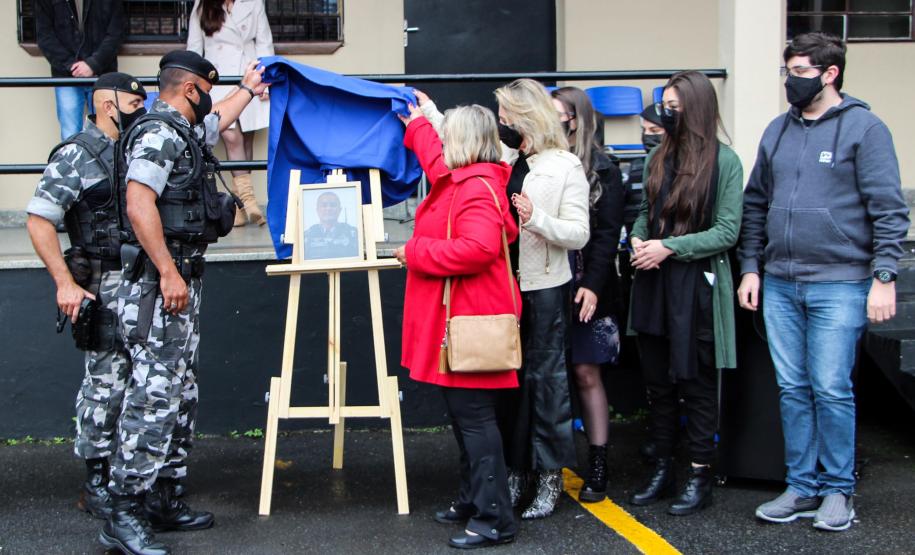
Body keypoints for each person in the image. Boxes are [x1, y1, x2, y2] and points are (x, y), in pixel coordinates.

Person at [738, 32, 909, 532]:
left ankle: (838, 490)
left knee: (831, 388)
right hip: (781, 283)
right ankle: (801, 486)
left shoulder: (865, 129)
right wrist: (751, 267)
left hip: (840, 282)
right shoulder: (777, 130)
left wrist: (884, 276)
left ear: (830, 74)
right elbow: (755, 203)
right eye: (787, 71)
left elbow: (888, 210)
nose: (790, 81)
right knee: (793, 388)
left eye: (800, 72)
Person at [99, 50, 268, 555]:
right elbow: (138, 204)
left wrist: (249, 88)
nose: (210, 102)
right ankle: (123, 511)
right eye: (206, 92)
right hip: (159, 285)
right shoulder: (158, 133)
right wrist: (169, 272)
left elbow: (220, 119)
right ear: (190, 89)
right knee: (153, 395)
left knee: (179, 391)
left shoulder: (184, 129)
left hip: (181, 282)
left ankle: (163, 499)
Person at [394, 100, 520, 550]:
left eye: (448, 135)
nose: (443, 141)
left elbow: (479, 249)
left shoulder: (473, 188)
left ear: (463, 142)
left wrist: (415, 252)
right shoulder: (467, 178)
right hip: (463, 320)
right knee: (467, 417)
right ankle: (473, 502)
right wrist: (417, 123)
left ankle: (494, 519)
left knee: (475, 421)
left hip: (469, 322)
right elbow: (434, 158)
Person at [26, 72, 147, 520]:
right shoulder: (77, 154)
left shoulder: (139, 149)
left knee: (144, 385)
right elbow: (40, 220)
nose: (141, 113)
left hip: (143, 283)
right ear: (108, 106)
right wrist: (64, 282)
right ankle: (96, 482)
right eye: (133, 106)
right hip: (102, 284)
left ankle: (133, 482)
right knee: (105, 385)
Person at [627, 71, 743, 516]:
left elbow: (727, 232)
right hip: (653, 282)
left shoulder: (725, 162)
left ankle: (699, 474)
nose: (666, 113)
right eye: (665, 105)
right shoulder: (657, 156)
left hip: (695, 288)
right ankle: (662, 469)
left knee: (696, 385)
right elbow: (644, 212)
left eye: (674, 107)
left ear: (696, 109)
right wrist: (639, 239)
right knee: (657, 385)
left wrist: (669, 247)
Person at [496, 79, 590, 520]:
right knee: (512, 384)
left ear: (526, 118)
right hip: (506, 286)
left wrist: (538, 220)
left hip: (547, 288)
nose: (501, 124)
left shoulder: (566, 165)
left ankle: (550, 476)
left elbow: (579, 233)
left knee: (548, 385)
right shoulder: (506, 158)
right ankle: (517, 472)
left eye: (506, 117)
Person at [549, 87, 625, 503]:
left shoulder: (604, 169)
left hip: (588, 283)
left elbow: (608, 235)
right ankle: (549, 466)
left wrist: (592, 286)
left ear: (575, 120)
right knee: (550, 375)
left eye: (557, 114)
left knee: (586, 372)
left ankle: (598, 462)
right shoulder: (542, 161)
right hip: (548, 281)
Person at [188, 0, 274, 226]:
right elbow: (194, 49)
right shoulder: (202, 4)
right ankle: (249, 201)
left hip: (249, 74)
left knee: (246, 142)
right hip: (218, 79)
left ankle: (238, 208)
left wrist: (266, 79)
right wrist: (194, 84)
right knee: (231, 136)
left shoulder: (254, 3)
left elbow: (264, 42)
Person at [35, 0, 126, 140]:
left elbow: (116, 32)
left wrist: (93, 64)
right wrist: (71, 65)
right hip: (66, 77)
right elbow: (45, 37)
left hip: (103, 74)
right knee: (70, 134)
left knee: (107, 133)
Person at [303, 191, 359, 260]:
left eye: (333, 205)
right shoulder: (307, 236)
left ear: (339, 210)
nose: (328, 208)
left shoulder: (353, 234)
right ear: (317, 210)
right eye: (324, 205)